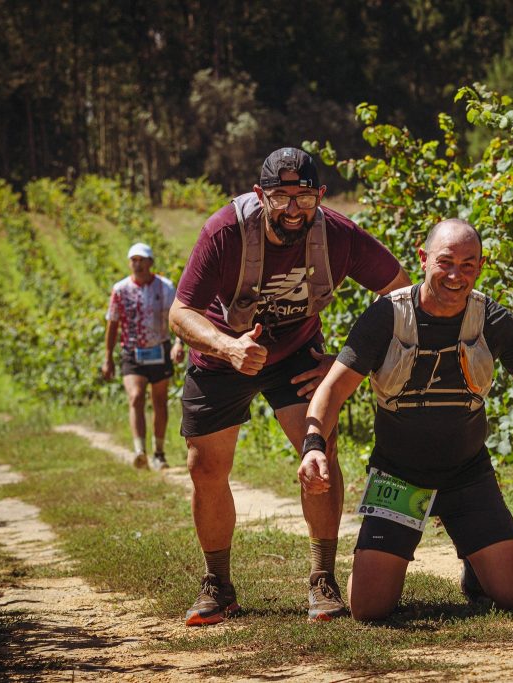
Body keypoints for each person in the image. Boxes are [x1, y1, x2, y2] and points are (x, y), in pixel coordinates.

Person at [300, 218, 513, 621]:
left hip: (467, 476)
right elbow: (333, 389)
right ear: (423, 258)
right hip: (398, 476)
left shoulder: (491, 320)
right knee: (369, 609)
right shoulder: (386, 317)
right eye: (445, 262)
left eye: (468, 265)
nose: (455, 274)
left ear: (480, 267)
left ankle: (476, 569)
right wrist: (313, 446)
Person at [169, 147, 411, 626]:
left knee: (319, 455)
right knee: (206, 467)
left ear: (320, 195)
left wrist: (342, 362)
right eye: (282, 196)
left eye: (305, 196)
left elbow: (401, 293)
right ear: (260, 195)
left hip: (298, 355)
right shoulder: (223, 231)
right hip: (222, 355)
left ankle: (323, 578)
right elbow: (180, 313)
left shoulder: (339, 235)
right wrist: (227, 346)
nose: (295, 208)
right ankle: (217, 583)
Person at [103, 242, 185, 471]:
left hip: (159, 348)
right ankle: (140, 450)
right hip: (132, 351)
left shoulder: (165, 288)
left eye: (142, 260)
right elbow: (113, 323)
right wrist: (108, 357)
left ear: (150, 263)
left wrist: (178, 343)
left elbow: (177, 318)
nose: (137, 264)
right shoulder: (120, 290)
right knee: (136, 396)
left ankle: (159, 452)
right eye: (133, 260)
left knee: (159, 401)